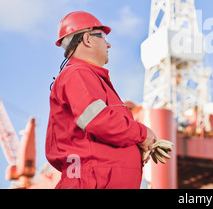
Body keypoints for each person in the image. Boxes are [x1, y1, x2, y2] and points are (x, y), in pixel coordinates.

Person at [45, 11, 157, 189]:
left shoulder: (89, 78)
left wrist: (137, 146)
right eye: (103, 37)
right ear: (88, 39)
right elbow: (98, 121)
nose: (109, 44)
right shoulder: (77, 74)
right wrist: (143, 134)